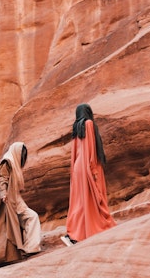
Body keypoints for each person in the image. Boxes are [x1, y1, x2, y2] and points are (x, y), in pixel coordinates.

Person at [0, 142, 42, 269]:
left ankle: (31, 248)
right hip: (8, 201)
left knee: (30, 218)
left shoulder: (12, 163)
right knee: (14, 224)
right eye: (21, 153)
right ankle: (28, 248)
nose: (22, 157)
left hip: (15, 200)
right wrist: (4, 193)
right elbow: (2, 179)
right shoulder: (6, 162)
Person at [61, 104, 116, 246]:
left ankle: (75, 234)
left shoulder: (76, 127)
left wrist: (74, 172)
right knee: (94, 198)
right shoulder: (89, 123)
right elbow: (91, 147)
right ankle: (96, 227)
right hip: (88, 165)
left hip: (78, 168)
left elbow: (74, 152)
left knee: (81, 201)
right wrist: (93, 169)